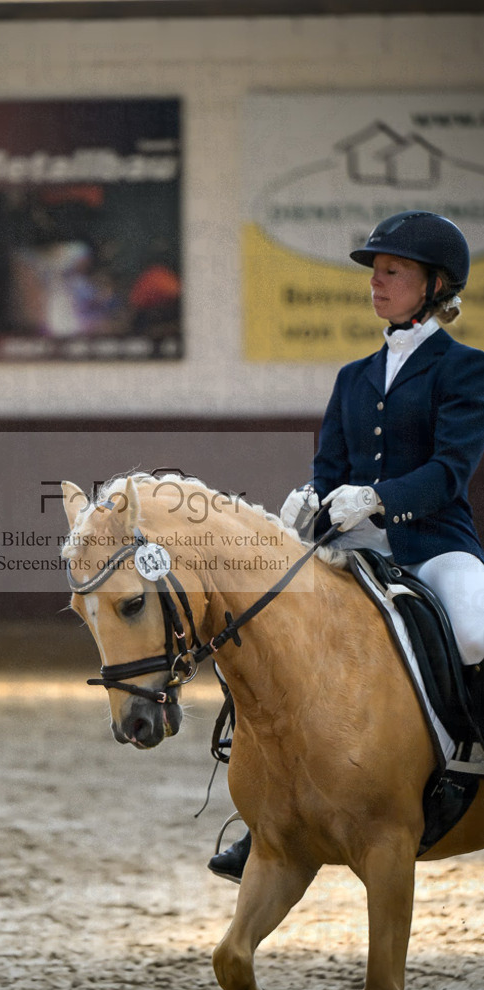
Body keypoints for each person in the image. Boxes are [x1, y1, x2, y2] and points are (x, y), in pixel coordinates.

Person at [209, 210, 484, 883]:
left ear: (434, 284)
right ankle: (263, 815)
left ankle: (468, 770)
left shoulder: (465, 371)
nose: (376, 283)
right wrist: (312, 499)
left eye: (392, 272)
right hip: (352, 546)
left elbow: (449, 470)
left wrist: (381, 495)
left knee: (475, 634)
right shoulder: (353, 378)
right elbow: (330, 470)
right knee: (268, 632)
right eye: (375, 273)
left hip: (433, 543)